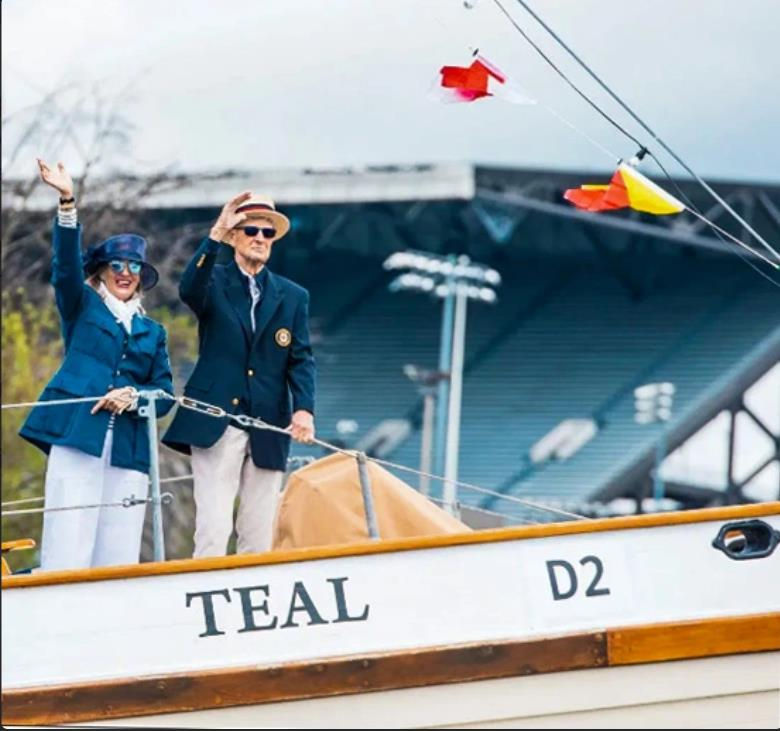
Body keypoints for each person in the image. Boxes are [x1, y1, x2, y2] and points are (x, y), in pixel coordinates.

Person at [19, 159, 175, 571]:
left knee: (120, 550)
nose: (126, 273)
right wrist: (67, 202)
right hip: (78, 436)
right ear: (103, 273)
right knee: (69, 541)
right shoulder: (82, 305)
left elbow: (164, 394)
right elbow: (65, 267)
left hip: (128, 447)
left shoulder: (153, 331)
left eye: (134, 267)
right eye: (118, 266)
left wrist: (134, 395)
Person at [163, 192, 316, 557]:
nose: (260, 238)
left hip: (269, 424)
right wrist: (216, 231)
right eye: (251, 230)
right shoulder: (213, 280)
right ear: (234, 235)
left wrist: (304, 409)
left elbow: (301, 358)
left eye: (268, 233)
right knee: (214, 528)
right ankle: (200, 599)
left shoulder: (293, 297)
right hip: (218, 419)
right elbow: (188, 288)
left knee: (259, 533)